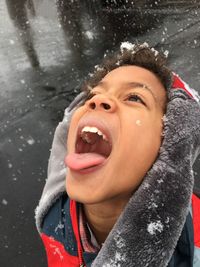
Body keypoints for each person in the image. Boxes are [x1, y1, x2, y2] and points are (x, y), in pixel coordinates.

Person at [35, 42, 200, 267]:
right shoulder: (53, 219)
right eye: (94, 94)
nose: (96, 100)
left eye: (134, 98)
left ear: (169, 142)